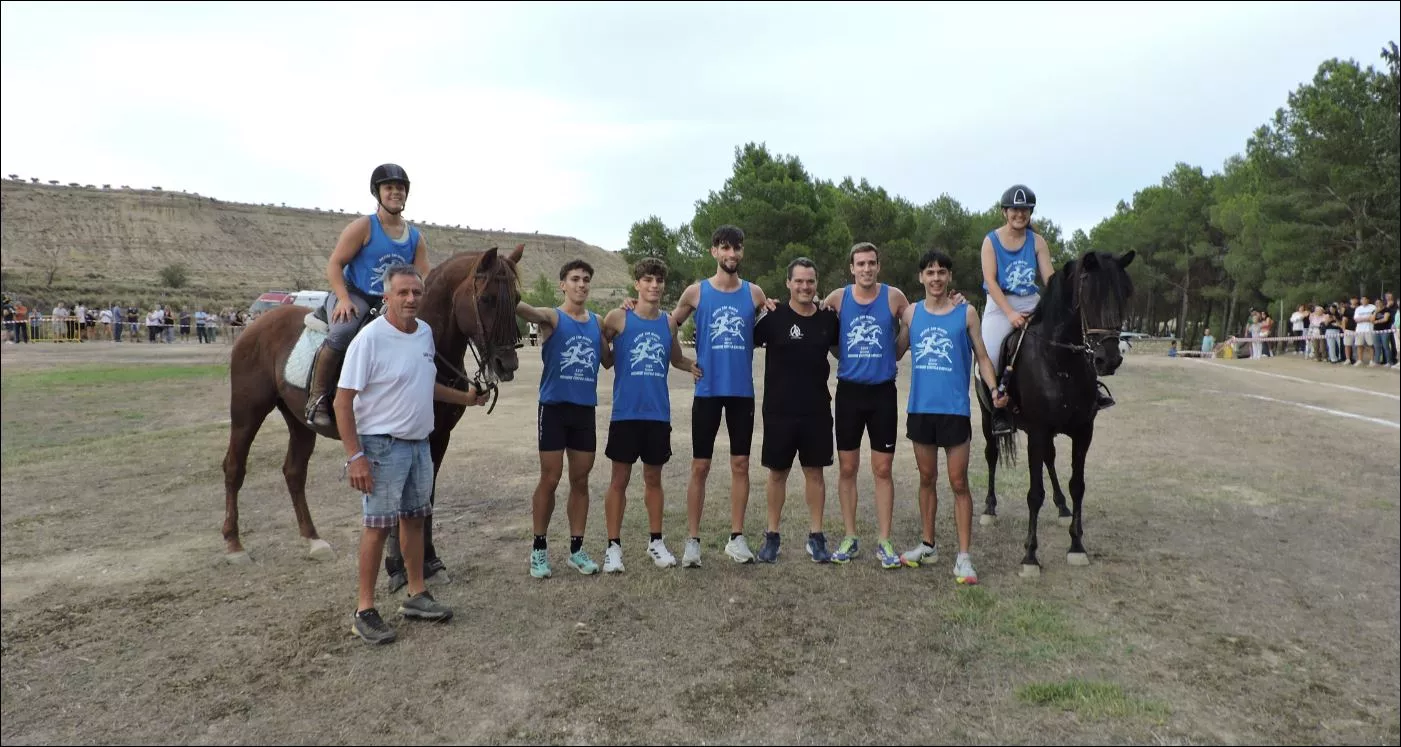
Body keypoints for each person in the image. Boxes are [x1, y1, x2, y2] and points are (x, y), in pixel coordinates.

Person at [334, 263, 488, 645]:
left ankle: (416, 594)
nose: (410, 299)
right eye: (402, 293)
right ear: (386, 296)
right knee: (376, 527)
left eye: (416, 293)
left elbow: (428, 385)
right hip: (382, 445)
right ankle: (364, 610)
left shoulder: (424, 334)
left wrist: (465, 398)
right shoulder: (369, 339)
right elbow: (342, 401)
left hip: (419, 443)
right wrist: (355, 456)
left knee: (416, 519)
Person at [896, 250, 1008, 584]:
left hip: (955, 410)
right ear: (921, 277)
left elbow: (983, 358)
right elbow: (897, 350)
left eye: (941, 272)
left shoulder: (966, 313)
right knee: (926, 479)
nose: (935, 278)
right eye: (929, 272)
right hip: (920, 409)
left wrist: (994, 388)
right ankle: (928, 545)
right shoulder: (911, 314)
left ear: (949, 277)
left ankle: (963, 558)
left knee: (959, 483)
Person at [670, 225, 768, 567]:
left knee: (740, 464)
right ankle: (693, 542)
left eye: (737, 248)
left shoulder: (755, 294)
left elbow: (774, 324)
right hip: (708, 391)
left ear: (742, 252)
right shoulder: (696, 292)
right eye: (725, 248)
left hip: (742, 392)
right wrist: (681, 362)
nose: (731, 254)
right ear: (714, 251)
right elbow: (667, 324)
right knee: (700, 466)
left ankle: (736, 538)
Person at [980, 184, 1113, 437]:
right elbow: (991, 281)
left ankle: (1092, 390)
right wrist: (1009, 313)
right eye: (1014, 210)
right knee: (992, 352)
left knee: (1069, 337)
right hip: (1000, 305)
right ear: (1004, 212)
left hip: (1031, 301)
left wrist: (1063, 294)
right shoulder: (991, 241)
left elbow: (1049, 278)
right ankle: (998, 408)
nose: (1019, 214)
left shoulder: (1037, 241)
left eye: (1025, 210)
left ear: (1030, 213)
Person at [600, 258, 702, 573]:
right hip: (625, 413)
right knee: (619, 479)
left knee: (653, 479)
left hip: (657, 413)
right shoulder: (618, 318)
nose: (654, 285)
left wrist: (695, 367)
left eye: (659, 280)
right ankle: (613, 547)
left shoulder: (669, 323)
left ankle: (655, 541)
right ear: (637, 284)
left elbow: (675, 358)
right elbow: (604, 357)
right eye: (648, 280)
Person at [308, 163, 429, 428]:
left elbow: (422, 277)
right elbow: (335, 264)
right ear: (378, 193)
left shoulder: (415, 238)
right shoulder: (363, 227)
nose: (395, 192)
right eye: (389, 188)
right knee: (343, 332)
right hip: (356, 293)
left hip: (390, 301)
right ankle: (317, 399)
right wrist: (343, 298)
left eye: (400, 188)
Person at [514, 260, 612, 578]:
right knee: (551, 478)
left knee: (580, 480)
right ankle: (539, 549)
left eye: (586, 279)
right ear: (563, 285)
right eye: (574, 279)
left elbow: (608, 360)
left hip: (584, 410)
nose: (581, 284)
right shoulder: (552, 318)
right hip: (554, 409)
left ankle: (576, 550)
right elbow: (525, 309)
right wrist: (503, 285)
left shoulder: (597, 323)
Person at [818, 242, 911, 568]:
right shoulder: (837, 298)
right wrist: (841, 355)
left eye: (871, 263)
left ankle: (884, 540)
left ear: (878, 266)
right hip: (849, 393)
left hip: (883, 393)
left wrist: (896, 350)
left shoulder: (894, 297)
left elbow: (917, 322)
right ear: (852, 268)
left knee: (882, 469)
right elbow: (823, 331)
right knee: (847, 468)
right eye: (860, 264)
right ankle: (850, 536)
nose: (866, 269)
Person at [752, 257, 840, 564]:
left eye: (810, 281)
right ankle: (772, 537)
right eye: (799, 281)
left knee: (815, 474)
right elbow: (741, 339)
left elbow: (845, 352)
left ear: (816, 284)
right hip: (779, 411)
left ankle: (816, 538)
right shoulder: (774, 317)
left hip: (816, 411)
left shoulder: (828, 319)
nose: (805, 286)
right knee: (777, 474)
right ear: (788, 283)